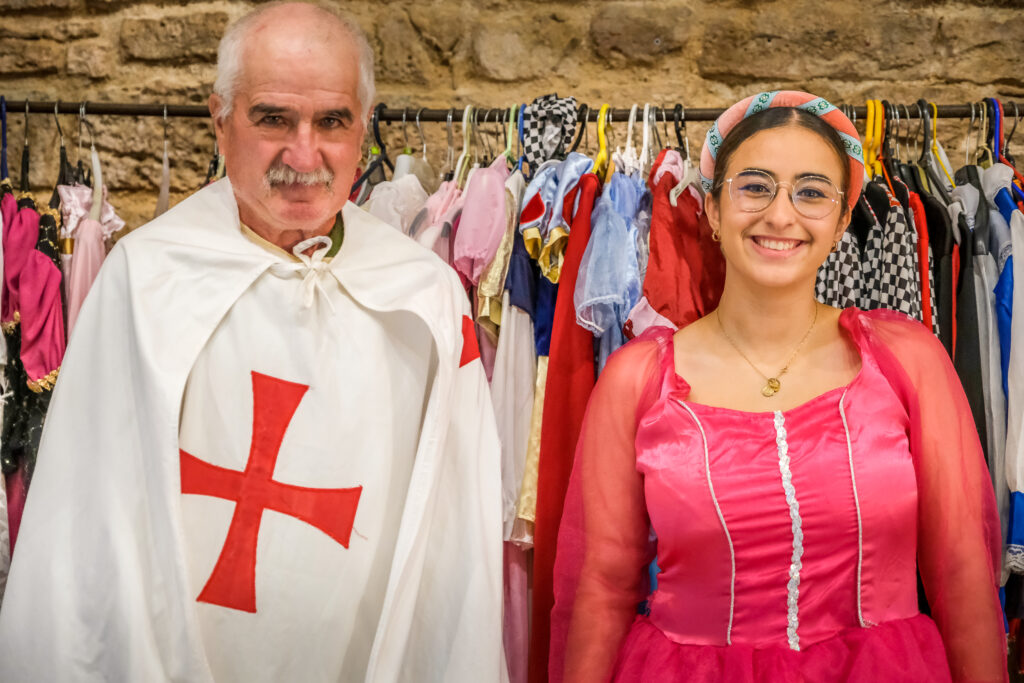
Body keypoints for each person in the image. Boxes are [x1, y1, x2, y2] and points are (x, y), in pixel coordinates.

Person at [0, 3, 506, 682]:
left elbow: (455, 540)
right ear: (220, 120)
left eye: (332, 122)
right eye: (273, 118)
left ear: (365, 126)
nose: (304, 155)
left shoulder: (425, 297)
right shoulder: (147, 278)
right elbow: (85, 529)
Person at [549, 91, 1007, 683]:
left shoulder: (906, 359)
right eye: (755, 186)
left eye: (811, 192)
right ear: (712, 209)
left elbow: (961, 572)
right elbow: (603, 591)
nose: (780, 215)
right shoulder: (637, 380)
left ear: (843, 219)